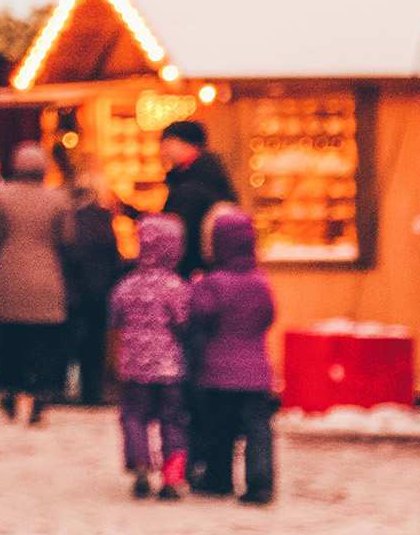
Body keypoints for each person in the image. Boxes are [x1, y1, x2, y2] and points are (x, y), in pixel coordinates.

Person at [189, 210, 278, 504]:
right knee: (258, 430)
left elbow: (199, 317)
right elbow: (269, 315)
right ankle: (260, 482)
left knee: (220, 428)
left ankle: (219, 478)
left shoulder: (213, 283)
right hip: (256, 372)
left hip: (218, 372)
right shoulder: (260, 282)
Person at [0, 142, 71, 425]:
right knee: (44, 341)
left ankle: (9, 392)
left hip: (9, 271)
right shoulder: (58, 199)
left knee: (11, 338)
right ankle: (41, 396)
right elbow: (67, 237)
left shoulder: (0, 197)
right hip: (47, 272)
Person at [108, 215, 191, 499]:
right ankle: (172, 477)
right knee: (174, 419)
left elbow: (115, 319)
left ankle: (141, 466)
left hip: (133, 368)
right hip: (169, 368)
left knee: (134, 417)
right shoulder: (176, 287)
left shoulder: (126, 286)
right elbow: (183, 322)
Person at [63, 174, 123, 406]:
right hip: (99, 290)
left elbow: (70, 254)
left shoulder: (72, 220)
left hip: (76, 289)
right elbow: (113, 258)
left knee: (74, 340)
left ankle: (71, 387)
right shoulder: (103, 220)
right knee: (94, 344)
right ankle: (91, 390)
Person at [158, 120, 236, 278]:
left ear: (185, 144)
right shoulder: (200, 175)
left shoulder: (194, 184)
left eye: (167, 144)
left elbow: (183, 229)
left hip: (196, 270)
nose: (163, 151)